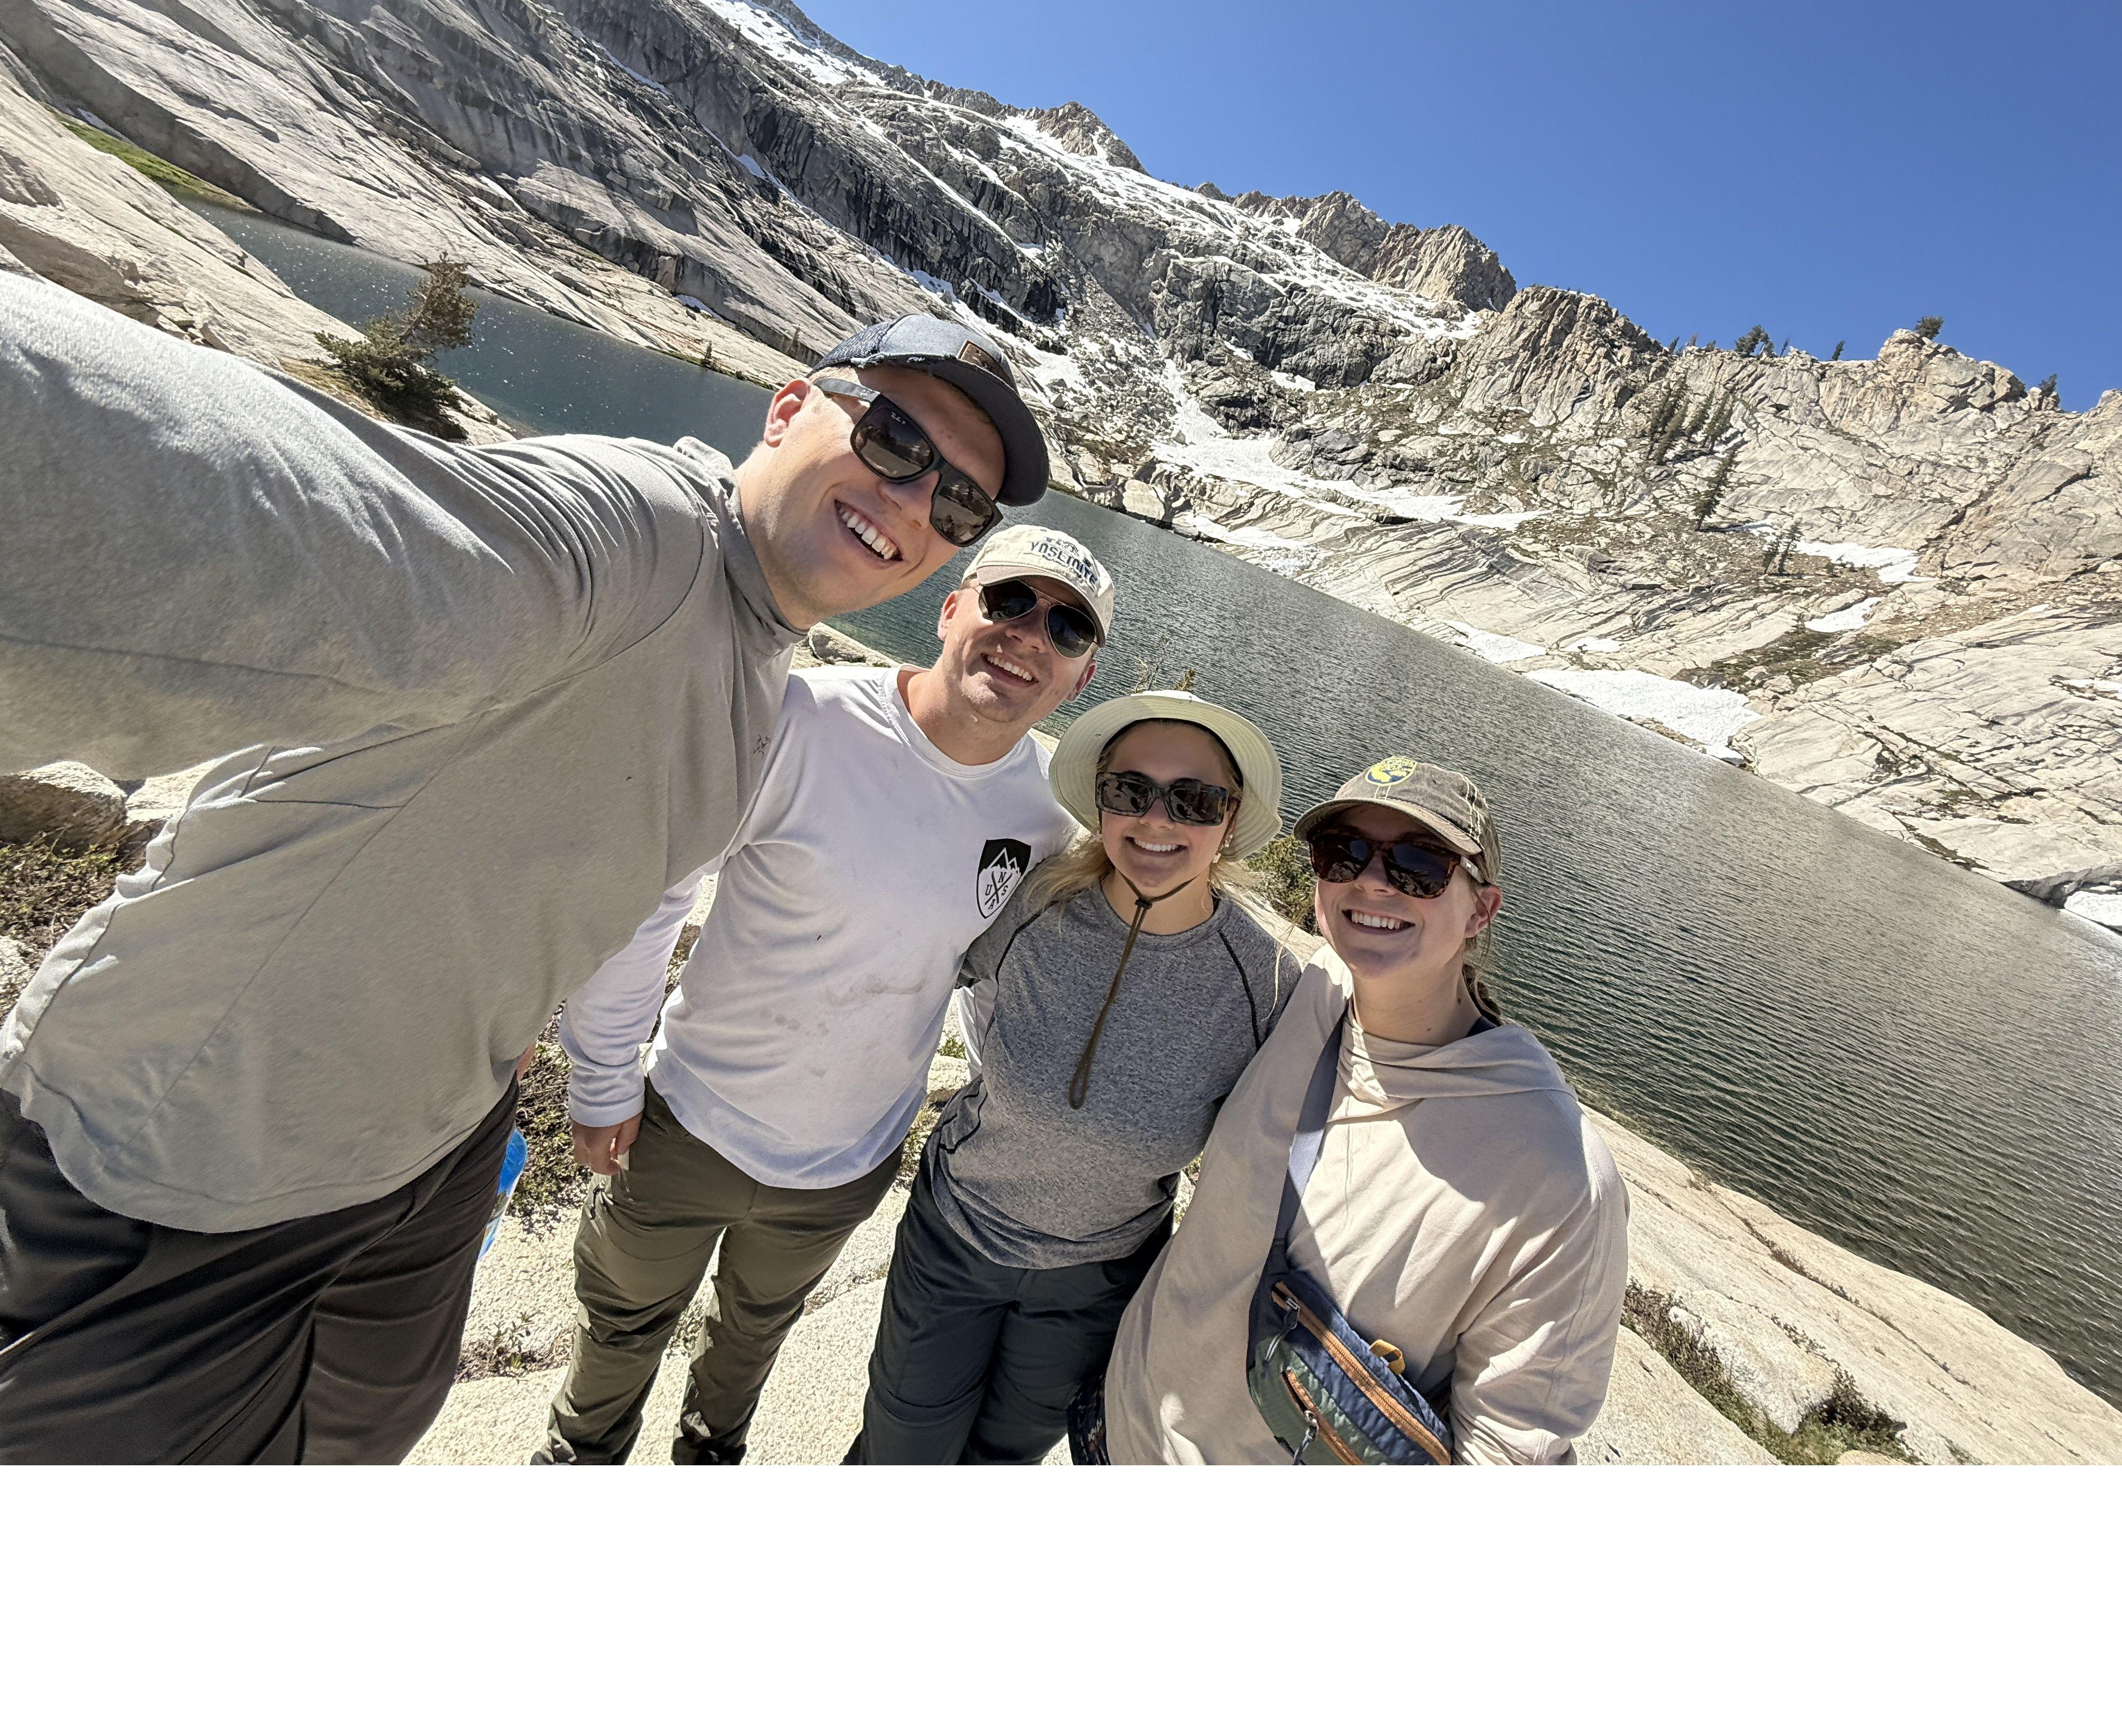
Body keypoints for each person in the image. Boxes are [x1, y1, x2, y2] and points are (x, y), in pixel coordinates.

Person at [0, 295, 1048, 1464]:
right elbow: (301, 516)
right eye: (896, 439)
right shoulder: (637, 535)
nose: (914, 501)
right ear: (789, 406)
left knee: (369, 1436)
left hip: (430, 1145)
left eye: (957, 500)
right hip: (189, 1159)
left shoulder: (764, 656)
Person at [535, 524, 1114, 1465]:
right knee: (619, 1330)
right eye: (1010, 602)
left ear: (1080, 678)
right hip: (686, 1125)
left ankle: (707, 1459)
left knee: (752, 1340)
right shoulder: (804, 718)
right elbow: (654, 894)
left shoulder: (1048, 818)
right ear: (952, 607)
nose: (1029, 637)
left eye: (1068, 629)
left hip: (846, 1166)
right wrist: (602, 1076)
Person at [1099, 756, 1628, 1465]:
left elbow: (1509, 1451)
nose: (1373, 881)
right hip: (1119, 1426)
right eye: (1342, 853)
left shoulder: (1558, 1180)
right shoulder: (1315, 991)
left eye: (1419, 864)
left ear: (1481, 909)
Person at [846, 688, 1299, 1464]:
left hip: (1097, 1283)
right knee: (898, 1451)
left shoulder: (1266, 985)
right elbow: (908, 968)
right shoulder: (1030, 901)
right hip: (956, 1236)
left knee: (1006, 1461)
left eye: (1194, 800)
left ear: (1229, 823)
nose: (1157, 821)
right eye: (1131, 792)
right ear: (1101, 802)